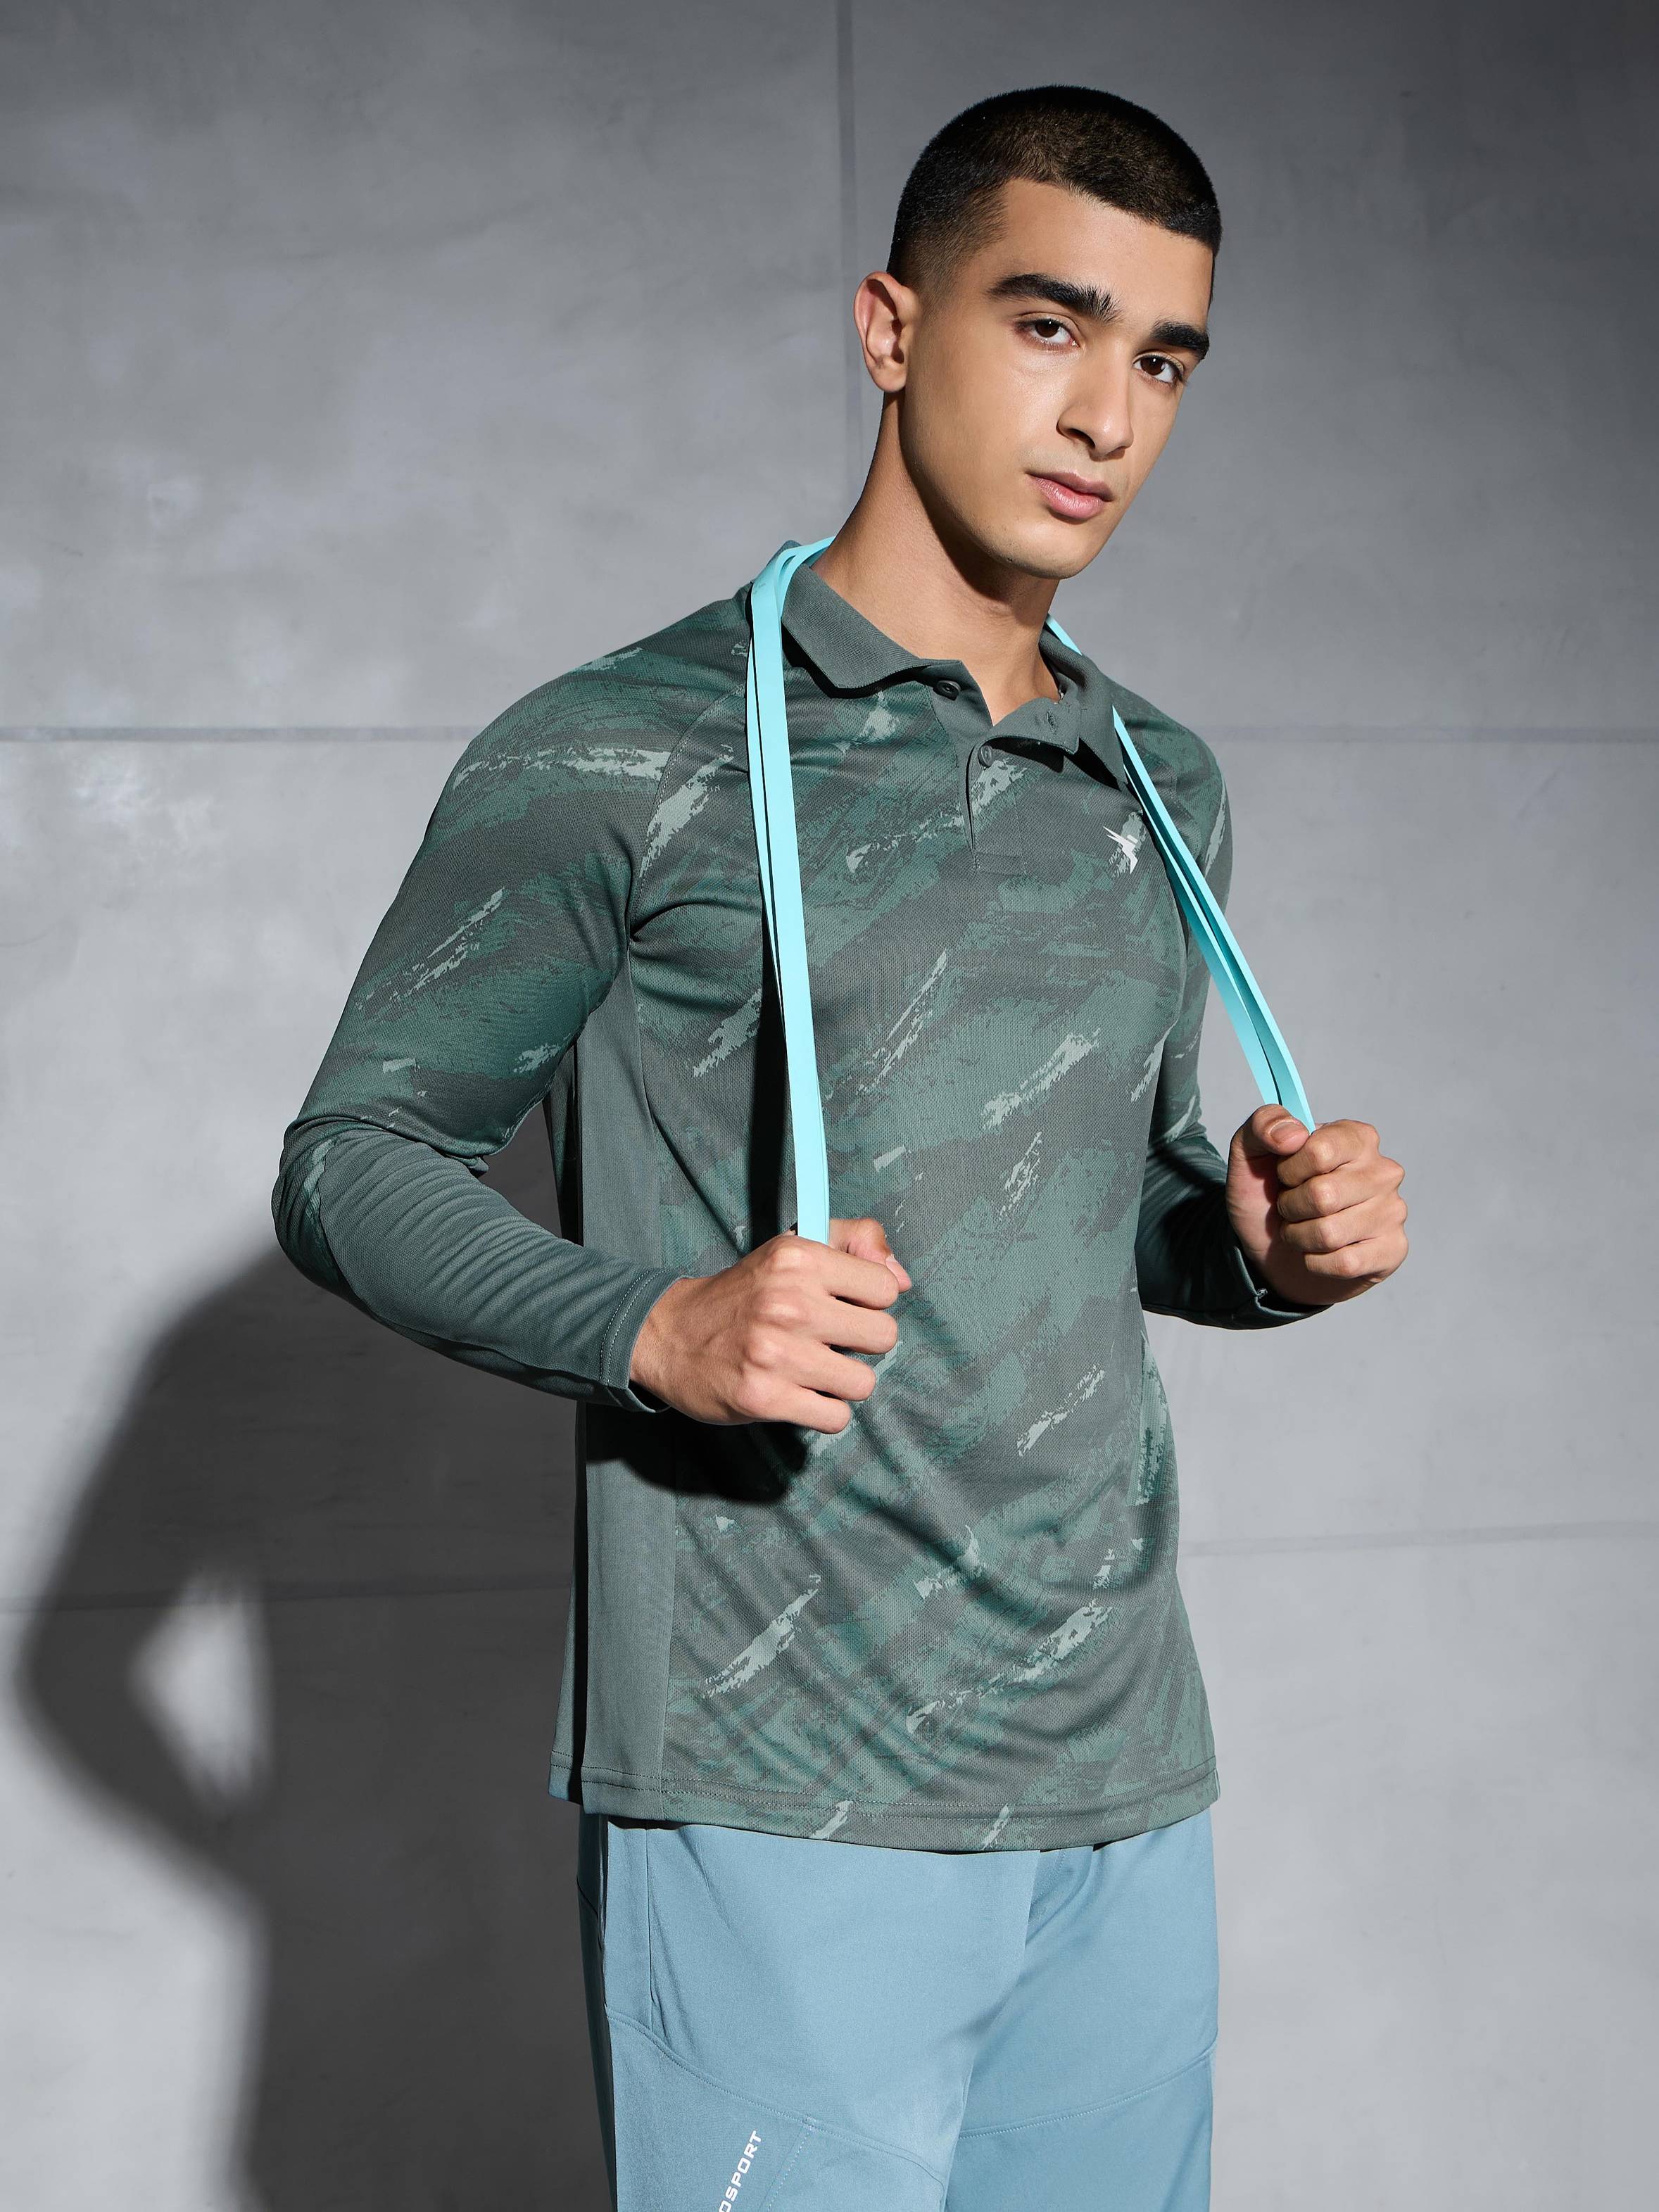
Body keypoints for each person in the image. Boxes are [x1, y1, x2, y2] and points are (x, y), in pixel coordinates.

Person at [272, 81, 1408, 2212]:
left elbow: (1097, 1203)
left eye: (1166, 361)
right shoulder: (629, 747)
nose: (1109, 418)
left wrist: (1253, 1243)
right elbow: (354, 1159)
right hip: (782, 1777)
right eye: (1049, 326)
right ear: (892, 326)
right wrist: (656, 1330)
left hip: (1118, 1767)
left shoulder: (1154, 778)